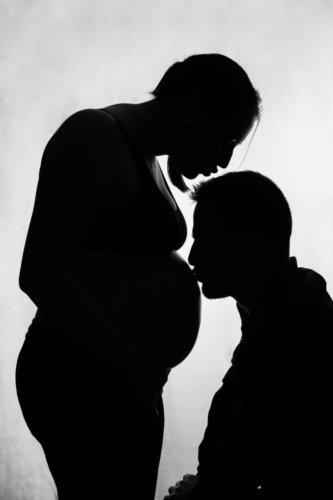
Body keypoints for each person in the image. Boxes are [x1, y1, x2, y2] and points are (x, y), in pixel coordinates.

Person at [15, 54, 261, 500]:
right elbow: (40, 273)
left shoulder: (146, 157)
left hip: (121, 378)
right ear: (191, 107)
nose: (225, 159)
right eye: (225, 139)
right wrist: (131, 360)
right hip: (78, 377)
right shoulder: (94, 136)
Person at [166, 171, 333, 500]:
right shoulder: (282, 314)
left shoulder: (292, 327)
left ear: (249, 243)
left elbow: (245, 452)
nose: (194, 256)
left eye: (206, 240)